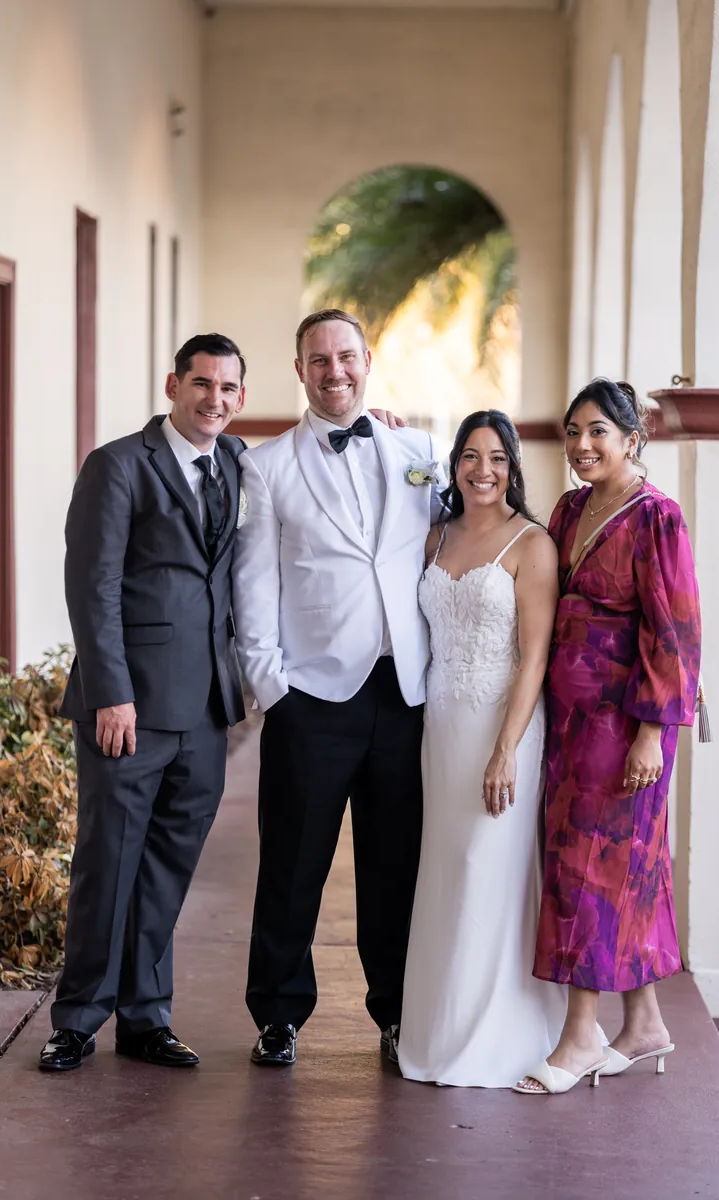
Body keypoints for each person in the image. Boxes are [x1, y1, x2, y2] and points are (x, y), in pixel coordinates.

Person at [232, 309, 445, 1068]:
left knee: (396, 866)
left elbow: (462, 529)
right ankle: (279, 1015)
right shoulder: (266, 466)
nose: (335, 372)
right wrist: (273, 688)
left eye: (346, 356)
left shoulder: (421, 450)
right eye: (318, 360)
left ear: (367, 359)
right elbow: (252, 585)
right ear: (299, 370)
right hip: (312, 699)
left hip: (405, 697)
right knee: (293, 866)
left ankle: (395, 1012)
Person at [39, 333, 248, 1072]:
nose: (212, 400)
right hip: (128, 708)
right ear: (172, 385)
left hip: (207, 708)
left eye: (226, 389)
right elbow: (91, 585)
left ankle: (146, 1017)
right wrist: (111, 692)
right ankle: (78, 1018)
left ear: (241, 398)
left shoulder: (239, 464)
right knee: (109, 861)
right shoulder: (119, 464)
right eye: (200, 384)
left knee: (166, 868)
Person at [515, 378, 702, 1096]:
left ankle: (579, 1037)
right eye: (573, 432)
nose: (582, 445)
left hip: (625, 723)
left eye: (598, 432)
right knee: (628, 870)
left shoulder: (658, 517)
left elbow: (675, 631)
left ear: (633, 439)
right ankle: (645, 1023)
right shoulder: (568, 507)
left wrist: (651, 733)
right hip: (568, 719)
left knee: (585, 869)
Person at [397, 410, 567, 1088]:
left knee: (485, 869)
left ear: (513, 466)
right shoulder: (434, 536)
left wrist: (506, 751)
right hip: (441, 728)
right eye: (470, 455)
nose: (482, 470)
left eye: (496, 457)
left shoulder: (533, 544)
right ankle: (436, 1033)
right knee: (443, 871)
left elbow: (533, 660)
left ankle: (499, 1035)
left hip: (504, 725)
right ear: (454, 463)